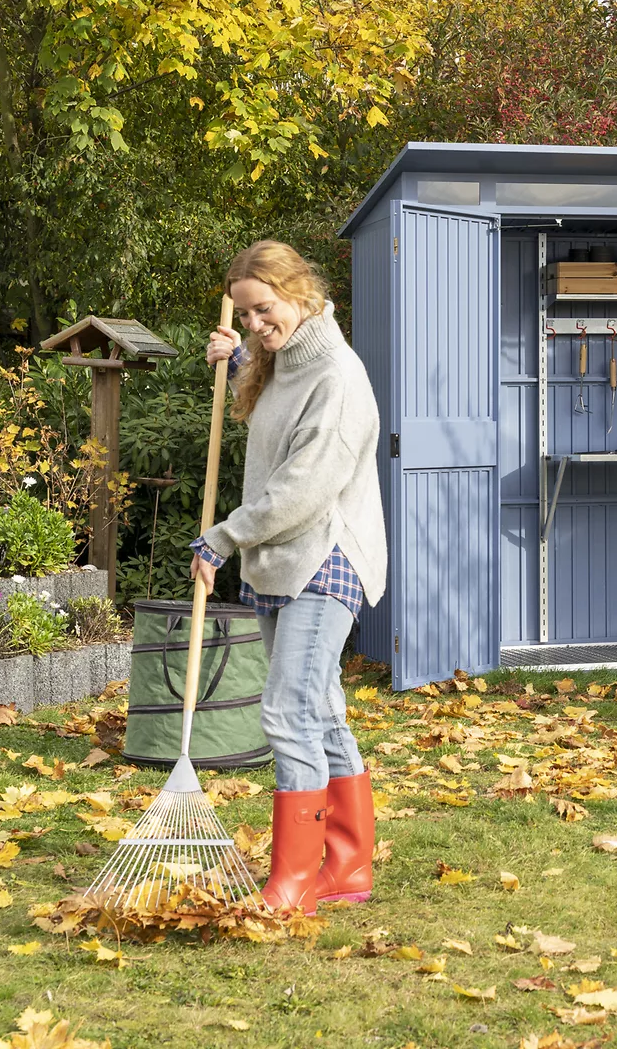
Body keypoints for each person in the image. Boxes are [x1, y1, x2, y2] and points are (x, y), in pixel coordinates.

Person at [190, 240, 387, 914]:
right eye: (244, 313)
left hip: (324, 557)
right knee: (320, 712)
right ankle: (347, 867)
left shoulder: (339, 378)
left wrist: (223, 537)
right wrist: (239, 360)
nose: (253, 323)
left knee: (288, 711)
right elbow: (279, 408)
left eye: (263, 309)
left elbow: (302, 490)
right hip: (285, 558)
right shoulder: (285, 363)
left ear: (299, 293)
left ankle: (296, 879)